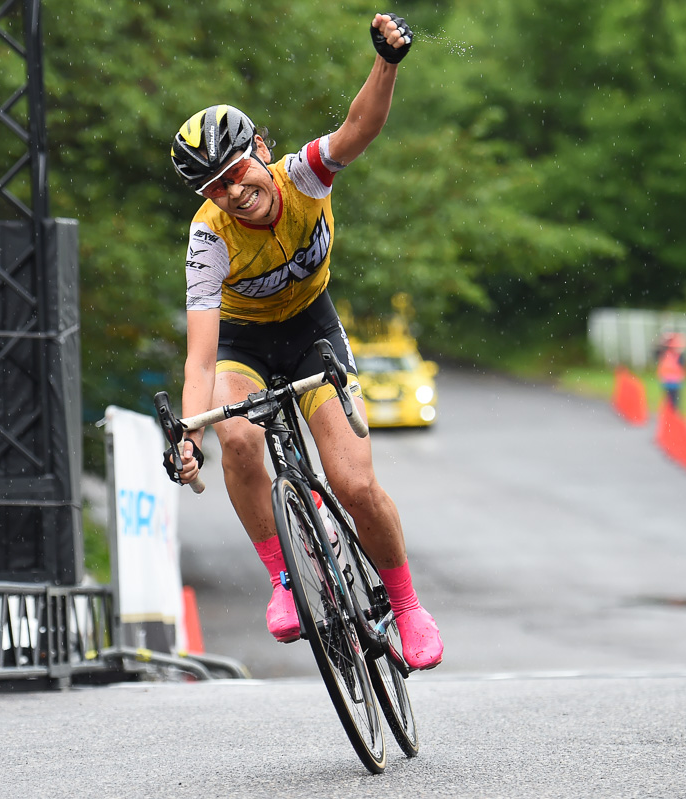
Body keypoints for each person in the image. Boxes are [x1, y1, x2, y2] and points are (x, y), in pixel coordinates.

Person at [162, 12, 442, 670]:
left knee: (353, 482)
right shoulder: (208, 238)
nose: (235, 193)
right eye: (216, 188)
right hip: (244, 344)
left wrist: (387, 61)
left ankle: (405, 604)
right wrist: (187, 433)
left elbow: (359, 127)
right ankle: (285, 577)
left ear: (260, 147)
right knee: (237, 435)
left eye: (237, 172)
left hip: (314, 328)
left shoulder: (302, 176)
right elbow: (201, 355)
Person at [655, 331, 686, 409]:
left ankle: (674, 416)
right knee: (668, 402)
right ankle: (669, 415)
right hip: (666, 382)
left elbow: (682, 365)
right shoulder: (664, 353)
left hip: (676, 382)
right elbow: (656, 351)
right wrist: (664, 340)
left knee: (675, 402)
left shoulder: (679, 355)